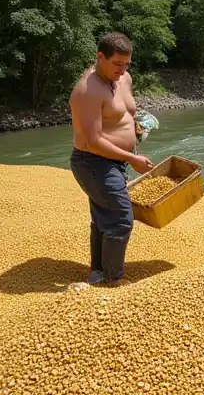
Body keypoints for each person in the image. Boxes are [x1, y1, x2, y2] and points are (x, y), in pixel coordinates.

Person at [68, 32, 153, 285]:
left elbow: (123, 115)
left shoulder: (124, 78)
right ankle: (113, 280)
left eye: (127, 63)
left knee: (103, 216)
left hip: (115, 162)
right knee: (120, 218)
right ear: (100, 57)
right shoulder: (88, 90)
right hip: (93, 162)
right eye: (117, 63)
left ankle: (98, 273)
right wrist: (132, 158)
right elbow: (93, 140)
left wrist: (137, 128)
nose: (122, 69)